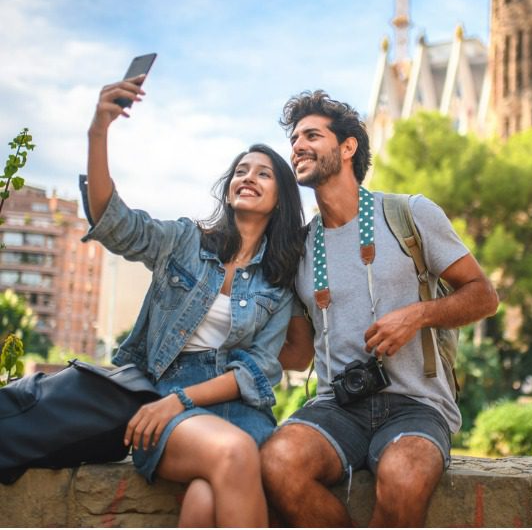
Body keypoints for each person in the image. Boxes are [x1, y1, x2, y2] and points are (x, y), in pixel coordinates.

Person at [260, 90, 499, 527]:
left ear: (347, 147)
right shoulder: (299, 247)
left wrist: (418, 314)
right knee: (277, 461)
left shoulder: (409, 214)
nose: (297, 146)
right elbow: (298, 354)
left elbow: (484, 295)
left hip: (417, 404)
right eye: (294, 139)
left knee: (404, 476)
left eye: (312, 135)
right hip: (337, 405)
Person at [83, 76, 308, 527]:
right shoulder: (184, 241)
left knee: (205, 500)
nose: (249, 177)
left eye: (263, 173)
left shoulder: (278, 280)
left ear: (281, 198)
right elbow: (115, 223)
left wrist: (184, 399)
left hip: (238, 407)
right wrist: (99, 132)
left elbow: (258, 370)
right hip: (160, 400)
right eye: (241, 171)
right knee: (234, 453)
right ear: (229, 187)